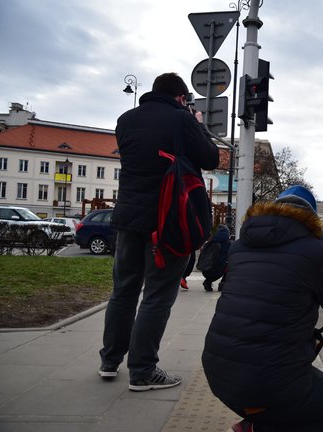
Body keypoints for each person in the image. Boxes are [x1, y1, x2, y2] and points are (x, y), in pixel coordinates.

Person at [202, 185, 323, 431]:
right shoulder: (316, 251)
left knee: (279, 397)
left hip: (219, 375)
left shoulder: (239, 248)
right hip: (266, 382)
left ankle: (253, 424)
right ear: (311, 219)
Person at [98, 72, 219, 391]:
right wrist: (196, 123)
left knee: (123, 290)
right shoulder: (181, 120)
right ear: (181, 98)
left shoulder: (125, 120)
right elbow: (210, 158)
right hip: (168, 221)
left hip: (127, 219)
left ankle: (110, 361)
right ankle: (142, 371)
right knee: (156, 295)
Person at [197, 223, 231, 291]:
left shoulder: (209, 242)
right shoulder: (228, 243)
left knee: (218, 267)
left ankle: (208, 281)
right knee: (229, 265)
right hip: (218, 270)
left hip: (205, 270)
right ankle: (223, 284)